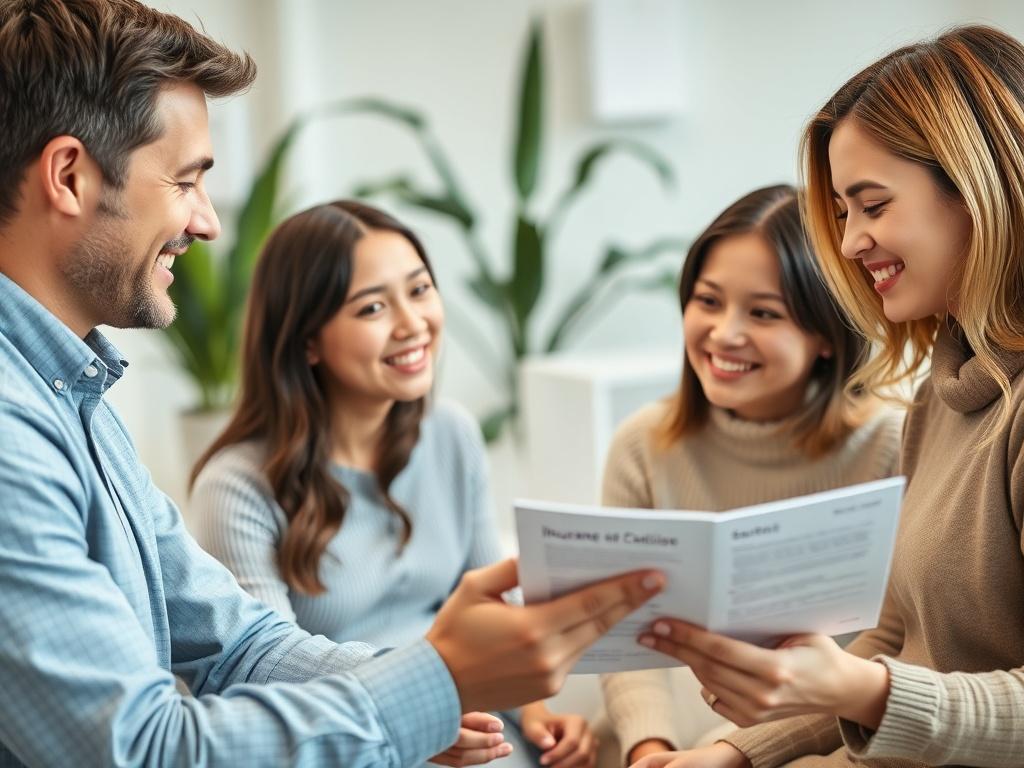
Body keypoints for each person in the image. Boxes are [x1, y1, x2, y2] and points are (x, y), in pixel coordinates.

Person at [0, 2, 664, 766]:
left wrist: (435, 686)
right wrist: (433, 686)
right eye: (185, 182)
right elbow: (146, 750)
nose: (208, 222)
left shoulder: (74, 397)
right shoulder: (14, 432)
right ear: (70, 176)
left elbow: (238, 644)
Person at [632, 24, 1024, 768]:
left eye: (872, 206)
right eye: (843, 213)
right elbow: (896, 638)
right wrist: (733, 752)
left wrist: (859, 689)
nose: (846, 245)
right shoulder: (943, 396)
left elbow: (878, 680)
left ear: (980, 189)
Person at [189, 199, 599, 768]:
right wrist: (417, 713)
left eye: (420, 289)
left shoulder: (451, 434)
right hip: (353, 738)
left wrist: (537, 714)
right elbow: (259, 677)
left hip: (479, 728)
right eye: (373, 307)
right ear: (307, 340)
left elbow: (495, 609)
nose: (413, 324)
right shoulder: (236, 488)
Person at [597, 185, 902, 766]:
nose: (724, 333)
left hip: (826, 743)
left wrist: (732, 752)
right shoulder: (643, 443)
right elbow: (621, 639)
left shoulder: (892, 444)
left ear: (826, 337)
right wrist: (650, 747)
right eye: (708, 301)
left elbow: (891, 646)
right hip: (665, 740)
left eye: (763, 313)